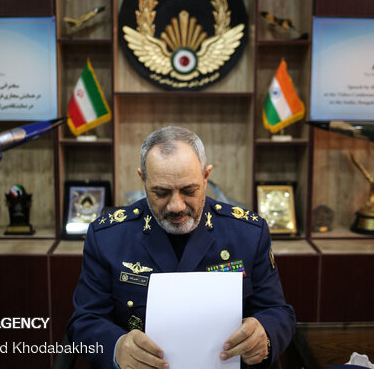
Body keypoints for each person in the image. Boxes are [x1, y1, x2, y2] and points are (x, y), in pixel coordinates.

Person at [66, 126, 296, 368]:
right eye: (161, 192)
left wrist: (265, 335)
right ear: (143, 179)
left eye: (189, 191)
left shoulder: (248, 233)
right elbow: (85, 320)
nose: (176, 205)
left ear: (206, 177)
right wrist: (116, 348)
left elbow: (279, 312)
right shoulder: (108, 236)